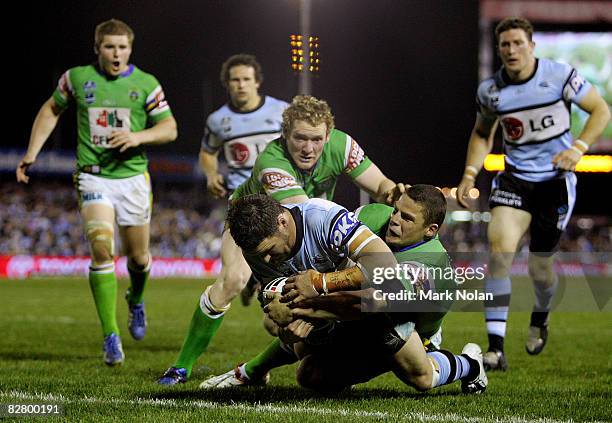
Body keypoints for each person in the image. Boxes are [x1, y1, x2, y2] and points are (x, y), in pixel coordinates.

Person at [158, 95, 403, 384]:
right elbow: (299, 215)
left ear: (328, 135)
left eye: (316, 139)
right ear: (284, 134)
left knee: (285, 316)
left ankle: (263, 333)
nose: (308, 148)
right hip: (254, 227)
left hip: (295, 234)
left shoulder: (343, 145)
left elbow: (381, 185)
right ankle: (181, 366)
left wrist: (397, 194)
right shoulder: (271, 163)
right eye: (300, 138)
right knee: (233, 279)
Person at [201, 186, 487, 395]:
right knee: (309, 375)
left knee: (422, 379)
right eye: (397, 210)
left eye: (408, 218)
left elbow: (373, 300)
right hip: (354, 309)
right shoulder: (373, 215)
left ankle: (469, 364)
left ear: (431, 230)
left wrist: (316, 291)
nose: (396, 219)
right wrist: (287, 317)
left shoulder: (431, 265)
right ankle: (257, 370)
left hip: (405, 320)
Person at [16, 19, 178, 366]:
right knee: (102, 247)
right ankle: (110, 335)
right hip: (94, 177)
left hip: (133, 179)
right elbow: (50, 110)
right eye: (109, 47)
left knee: (139, 258)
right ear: (97, 48)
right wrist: (31, 154)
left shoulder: (146, 84)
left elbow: (169, 128)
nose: (116, 53)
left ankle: (136, 298)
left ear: (130, 49)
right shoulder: (76, 78)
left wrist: (138, 137)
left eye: (122, 47)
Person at [456, 17, 610, 371]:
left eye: (518, 43)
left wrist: (580, 147)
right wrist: (469, 174)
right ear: (498, 49)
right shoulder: (491, 91)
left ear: (532, 46)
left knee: (541, 270)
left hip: (555, 182)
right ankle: (495, 349)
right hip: (514, 181)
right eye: (505, 45)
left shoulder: (559, 75)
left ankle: (540, 316)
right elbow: (482, 134)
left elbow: (600, 109)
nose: (511, 50)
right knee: (499, 251)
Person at [199, 54, 287, 199]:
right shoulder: (217, 120)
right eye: (235, 80)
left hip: (280, 192)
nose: (241, 85)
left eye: (246, 79)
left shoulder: (282, 110)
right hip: (241, 196)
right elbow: (207, 153)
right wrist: (211, 175)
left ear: (257, 82)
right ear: (227, 83)